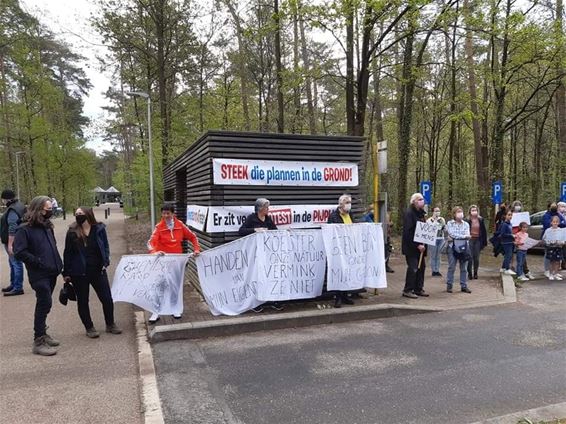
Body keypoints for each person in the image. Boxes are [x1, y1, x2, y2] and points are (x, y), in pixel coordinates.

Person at [13, 196, 62, 356]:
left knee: (46, 304)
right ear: (38, 209)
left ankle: (43, 332)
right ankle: (38, 340)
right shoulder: (24, 229)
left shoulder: (47, 226)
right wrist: (37, 261)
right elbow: (19, 252)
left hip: (52, 271)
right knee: (44, 302)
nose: (50, 211)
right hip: (38, 273)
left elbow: (52, 246)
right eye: (47, 208)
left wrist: (59, 265)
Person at [63, 207, 121, 338]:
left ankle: (110, 324)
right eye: (76, 214)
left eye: (81, 213)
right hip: (79, 273)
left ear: (88, 214)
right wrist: (66, 272)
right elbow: (68, 252)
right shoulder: (72, 231)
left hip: (98, 270)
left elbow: (105, 246)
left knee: (107, 298)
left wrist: (105, 261)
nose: (78, 216)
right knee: (83, 301)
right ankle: (89, 327)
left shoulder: (99, 229)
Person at [147, 204, 201, 322]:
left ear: (173, 214)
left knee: (175, 286)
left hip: (177, 261)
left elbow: (193, 237)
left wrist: (196, 249)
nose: (166, 216)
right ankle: (155, 311)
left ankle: (175, 308)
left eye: (168, 213)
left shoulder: (180, 225)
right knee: (158, 286)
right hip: (162, 261)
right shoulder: (159, 227)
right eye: (164, 213)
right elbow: (151, 242)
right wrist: (154, 252)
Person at [238, 198, 281, 312]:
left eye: (268, 207)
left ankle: (272, 300)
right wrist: (255, 230)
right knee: (256, 276)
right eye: (266, 207)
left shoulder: (268, 219)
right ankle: (256, 302)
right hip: (255, 254)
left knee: (269, 275)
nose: (268, 209)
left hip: (267, 254)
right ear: (260, 208)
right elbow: (241, 231)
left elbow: (275, 231)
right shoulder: (251, 218)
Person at [328, 194, 361, 307]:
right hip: (338, 249)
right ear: (341, 204)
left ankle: (345, 295)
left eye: (350, 202)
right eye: (347, 202)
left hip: (349, 248)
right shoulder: (333, 216)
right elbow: (331, 232)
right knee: (339, 273)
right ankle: (338, 297)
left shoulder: (350, 215)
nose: (349, 204)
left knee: (348, 272)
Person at [401, 193, 428, 299]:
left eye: (422, 199)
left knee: (421, 267)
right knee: (413, 268)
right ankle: (407, 290)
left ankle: (418, 288)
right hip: (411, 247)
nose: (422, 201)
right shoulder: (409, 213)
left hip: (421, 247)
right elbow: (408, 232)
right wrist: (417, 245)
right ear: (414, 201)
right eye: (419, 199)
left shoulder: (421, 214)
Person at [1, 189, 26, 296]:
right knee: (13, 263)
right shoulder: (19, 205)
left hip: (13, 241)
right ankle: (14, 284)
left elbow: (12, 227)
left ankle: (18, 287)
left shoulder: (12, 210)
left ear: (6, 199)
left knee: (16, 263)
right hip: (17, 239)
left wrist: (11, 244)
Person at [446, 206, 472, 293]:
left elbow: (467, 235)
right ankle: (449, 285)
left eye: (461, 211)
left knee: (464, 268)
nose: (460, 213)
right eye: (458, 212)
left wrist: (461, 237)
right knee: (451, 267)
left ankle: (463, 285)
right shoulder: (450, 223)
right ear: (454, 214)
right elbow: (451, 234)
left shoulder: (466, 224)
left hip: (464, 248)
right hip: (452, 248)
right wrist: (463, 237)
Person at [362, 206, 394, 273]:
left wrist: (390, 225)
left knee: (387, 250)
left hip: (386, 234)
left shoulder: (386, 214)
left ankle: (386, 265)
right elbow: (368, 222)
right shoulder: (369, 215)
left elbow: (390, 223)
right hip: (375, 236)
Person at [465, 205, 487, 280]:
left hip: (478, 239)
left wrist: (484, 242)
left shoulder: (480, 219)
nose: (474, 211)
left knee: (476, 257)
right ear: (470, 212)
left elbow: (483, 231)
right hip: (470, 239)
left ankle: (475, 273)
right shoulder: (467, 220)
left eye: (475, 210)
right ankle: (469, 273)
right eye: (472, 210)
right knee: (470, 257)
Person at [542, 216, 564, 280]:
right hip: (551, 248)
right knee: (551, 261)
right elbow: (544, 239)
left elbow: (563, 239)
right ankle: (551, 274)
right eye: (553, 222)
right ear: (551, 222)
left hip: (558, 247)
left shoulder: (561, 230)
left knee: (557, 261)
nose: (555, 223)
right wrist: (548, 242)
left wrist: (561, 242)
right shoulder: (548, 230)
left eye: (556, 222)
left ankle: (555, 273)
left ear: (559, 222)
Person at [426, 206, 446, 277]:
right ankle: (433, 270)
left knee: (438, 255)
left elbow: (444, 228)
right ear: (433, 212)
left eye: (438, 211)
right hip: (433, 239)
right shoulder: (429, 220)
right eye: (436, 211)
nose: (437, 212)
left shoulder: (442, 219)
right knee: (433, 255)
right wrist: (434, 220)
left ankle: (437, 270)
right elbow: (427, 230)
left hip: (441, 238)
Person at [499, 210, 516, 275]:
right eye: (508, 215)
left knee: (508, 255)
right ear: (505, 216)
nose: (510, 216)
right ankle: (507, 269)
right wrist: (511, 235)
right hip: (506, 242)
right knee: (508, 256)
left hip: (510, 242)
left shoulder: (510, 224)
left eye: (511, 215)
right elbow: (502, 234)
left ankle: (503, 268)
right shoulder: (504, 224)